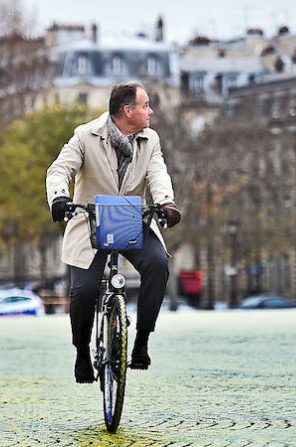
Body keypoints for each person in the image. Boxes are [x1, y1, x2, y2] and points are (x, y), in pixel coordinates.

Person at [46, 81, 182, 383]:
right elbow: (60, 169)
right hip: (91, 219)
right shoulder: (85, 135)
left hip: (131, 219)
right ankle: (82, 351)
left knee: (158, 265)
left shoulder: (150, 139)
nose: (150, 111)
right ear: (127, 110)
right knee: (83, 292)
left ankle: (142, 340)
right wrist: (59, 196)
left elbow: (158, 173)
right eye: (145, 105)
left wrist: (166, 202)